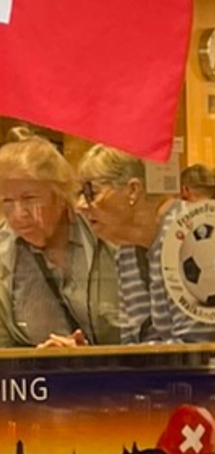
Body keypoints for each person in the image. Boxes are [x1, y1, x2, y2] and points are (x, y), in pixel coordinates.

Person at [76, 145, 215, 344]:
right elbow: (136, 346)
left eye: (91, 193)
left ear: (133, 191)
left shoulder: (191, 235)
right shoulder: (127, 250)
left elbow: (197, 350)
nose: (80, 206)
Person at [0, 128, 120, 347]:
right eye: (7, 201)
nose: (18, 215)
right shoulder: (4, 254)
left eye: (29, 198)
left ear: (60, 195)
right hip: (39, 379)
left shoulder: (108, 236)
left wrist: (89, 354)